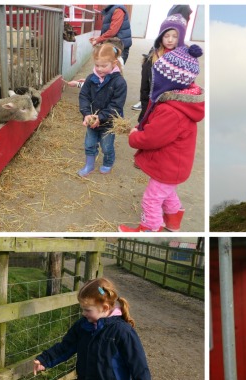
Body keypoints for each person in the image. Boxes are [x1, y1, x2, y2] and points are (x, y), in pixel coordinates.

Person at [118, 44, 204, 232]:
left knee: (152, 198)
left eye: (158, 76)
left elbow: (152, 138)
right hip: (174, 165)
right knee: (167, 191)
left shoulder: (171, 110)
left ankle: (150, 228)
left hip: (169, 165)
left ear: (168, 80)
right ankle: (173, 220)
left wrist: (134, 136)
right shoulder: (181, 102)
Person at [77, 42, 127, 176]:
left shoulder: (119, 82)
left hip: (109, 122)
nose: (99, 69)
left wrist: (101, 117)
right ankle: (89, 165)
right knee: (89, 143)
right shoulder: (91, 78)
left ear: (114, 63)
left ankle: (108, 162)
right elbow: (84, 95)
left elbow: (116, 105)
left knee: (106, 146)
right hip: (91, 120)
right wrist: (86, 113)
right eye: (97, 65)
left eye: (104, 66)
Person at [132, 6, 192, 114]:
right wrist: (144, 113)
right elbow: (145, 88)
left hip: (172, 108)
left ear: (181, 37)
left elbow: (189, 86)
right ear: (160, 36)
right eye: (166, 35)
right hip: (152, 104)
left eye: (175, 36)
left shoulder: (186, 59)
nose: (170, 40)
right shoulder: (152, 57)